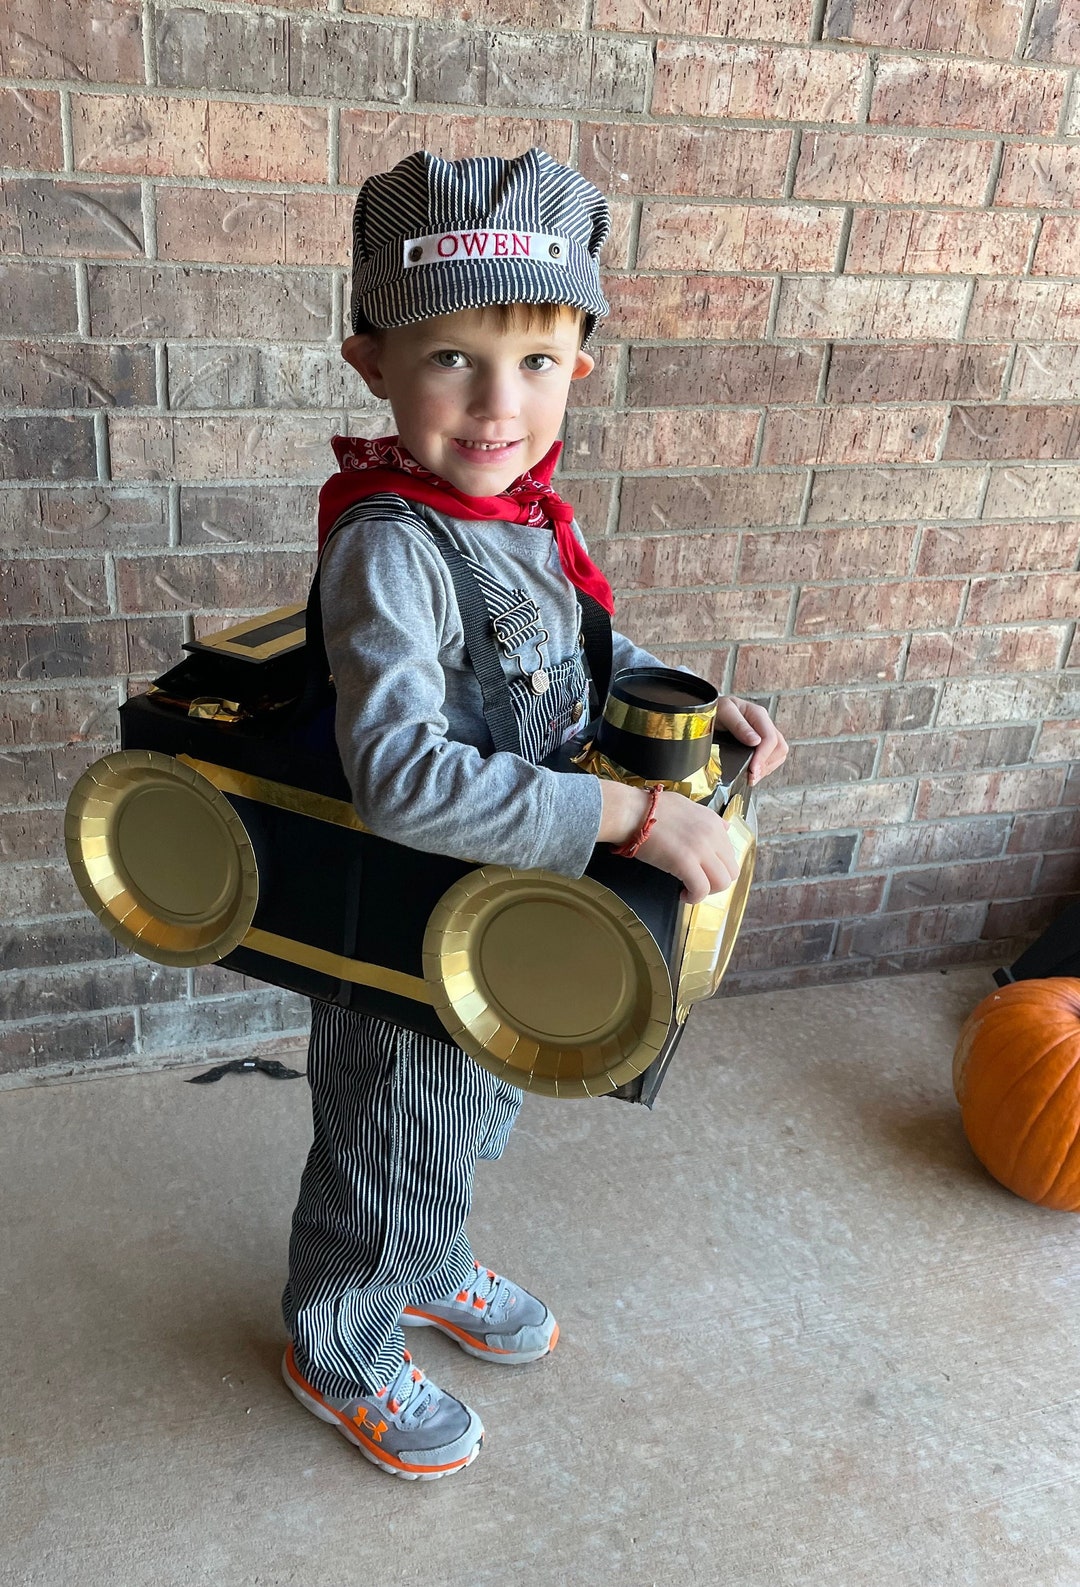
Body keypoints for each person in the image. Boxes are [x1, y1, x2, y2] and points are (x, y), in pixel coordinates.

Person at [280, 148, 788, 1481]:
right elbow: (397, 775)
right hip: (408, 924)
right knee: (393, 1131)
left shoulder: (516, 513)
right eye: (453, 360)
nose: (499, 403)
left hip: (500, 913)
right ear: (371, 359)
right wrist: (624, 817)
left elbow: (557, 663)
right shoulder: (394, 547)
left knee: (471, 1112)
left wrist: (690, 717)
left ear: (582, 366)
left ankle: (433, 1258)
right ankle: (337, 1335)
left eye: (537, 364)